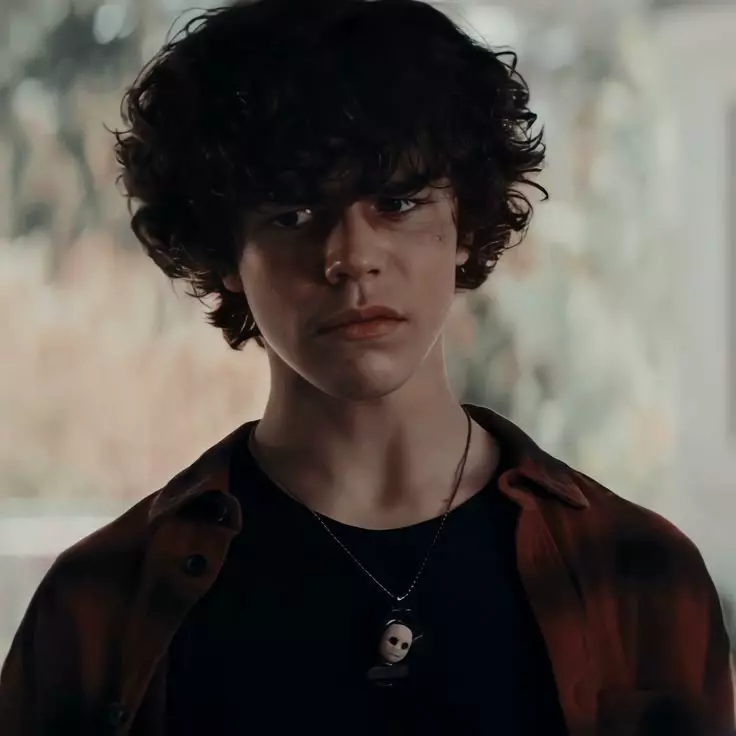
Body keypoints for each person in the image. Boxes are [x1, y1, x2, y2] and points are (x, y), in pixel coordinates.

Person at [0, 0, 733, 733]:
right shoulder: (100, 603)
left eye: (397, 201)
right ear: (226, 254)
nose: (351, 257)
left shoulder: (637, 574)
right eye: (292, 214)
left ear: (463, 224)